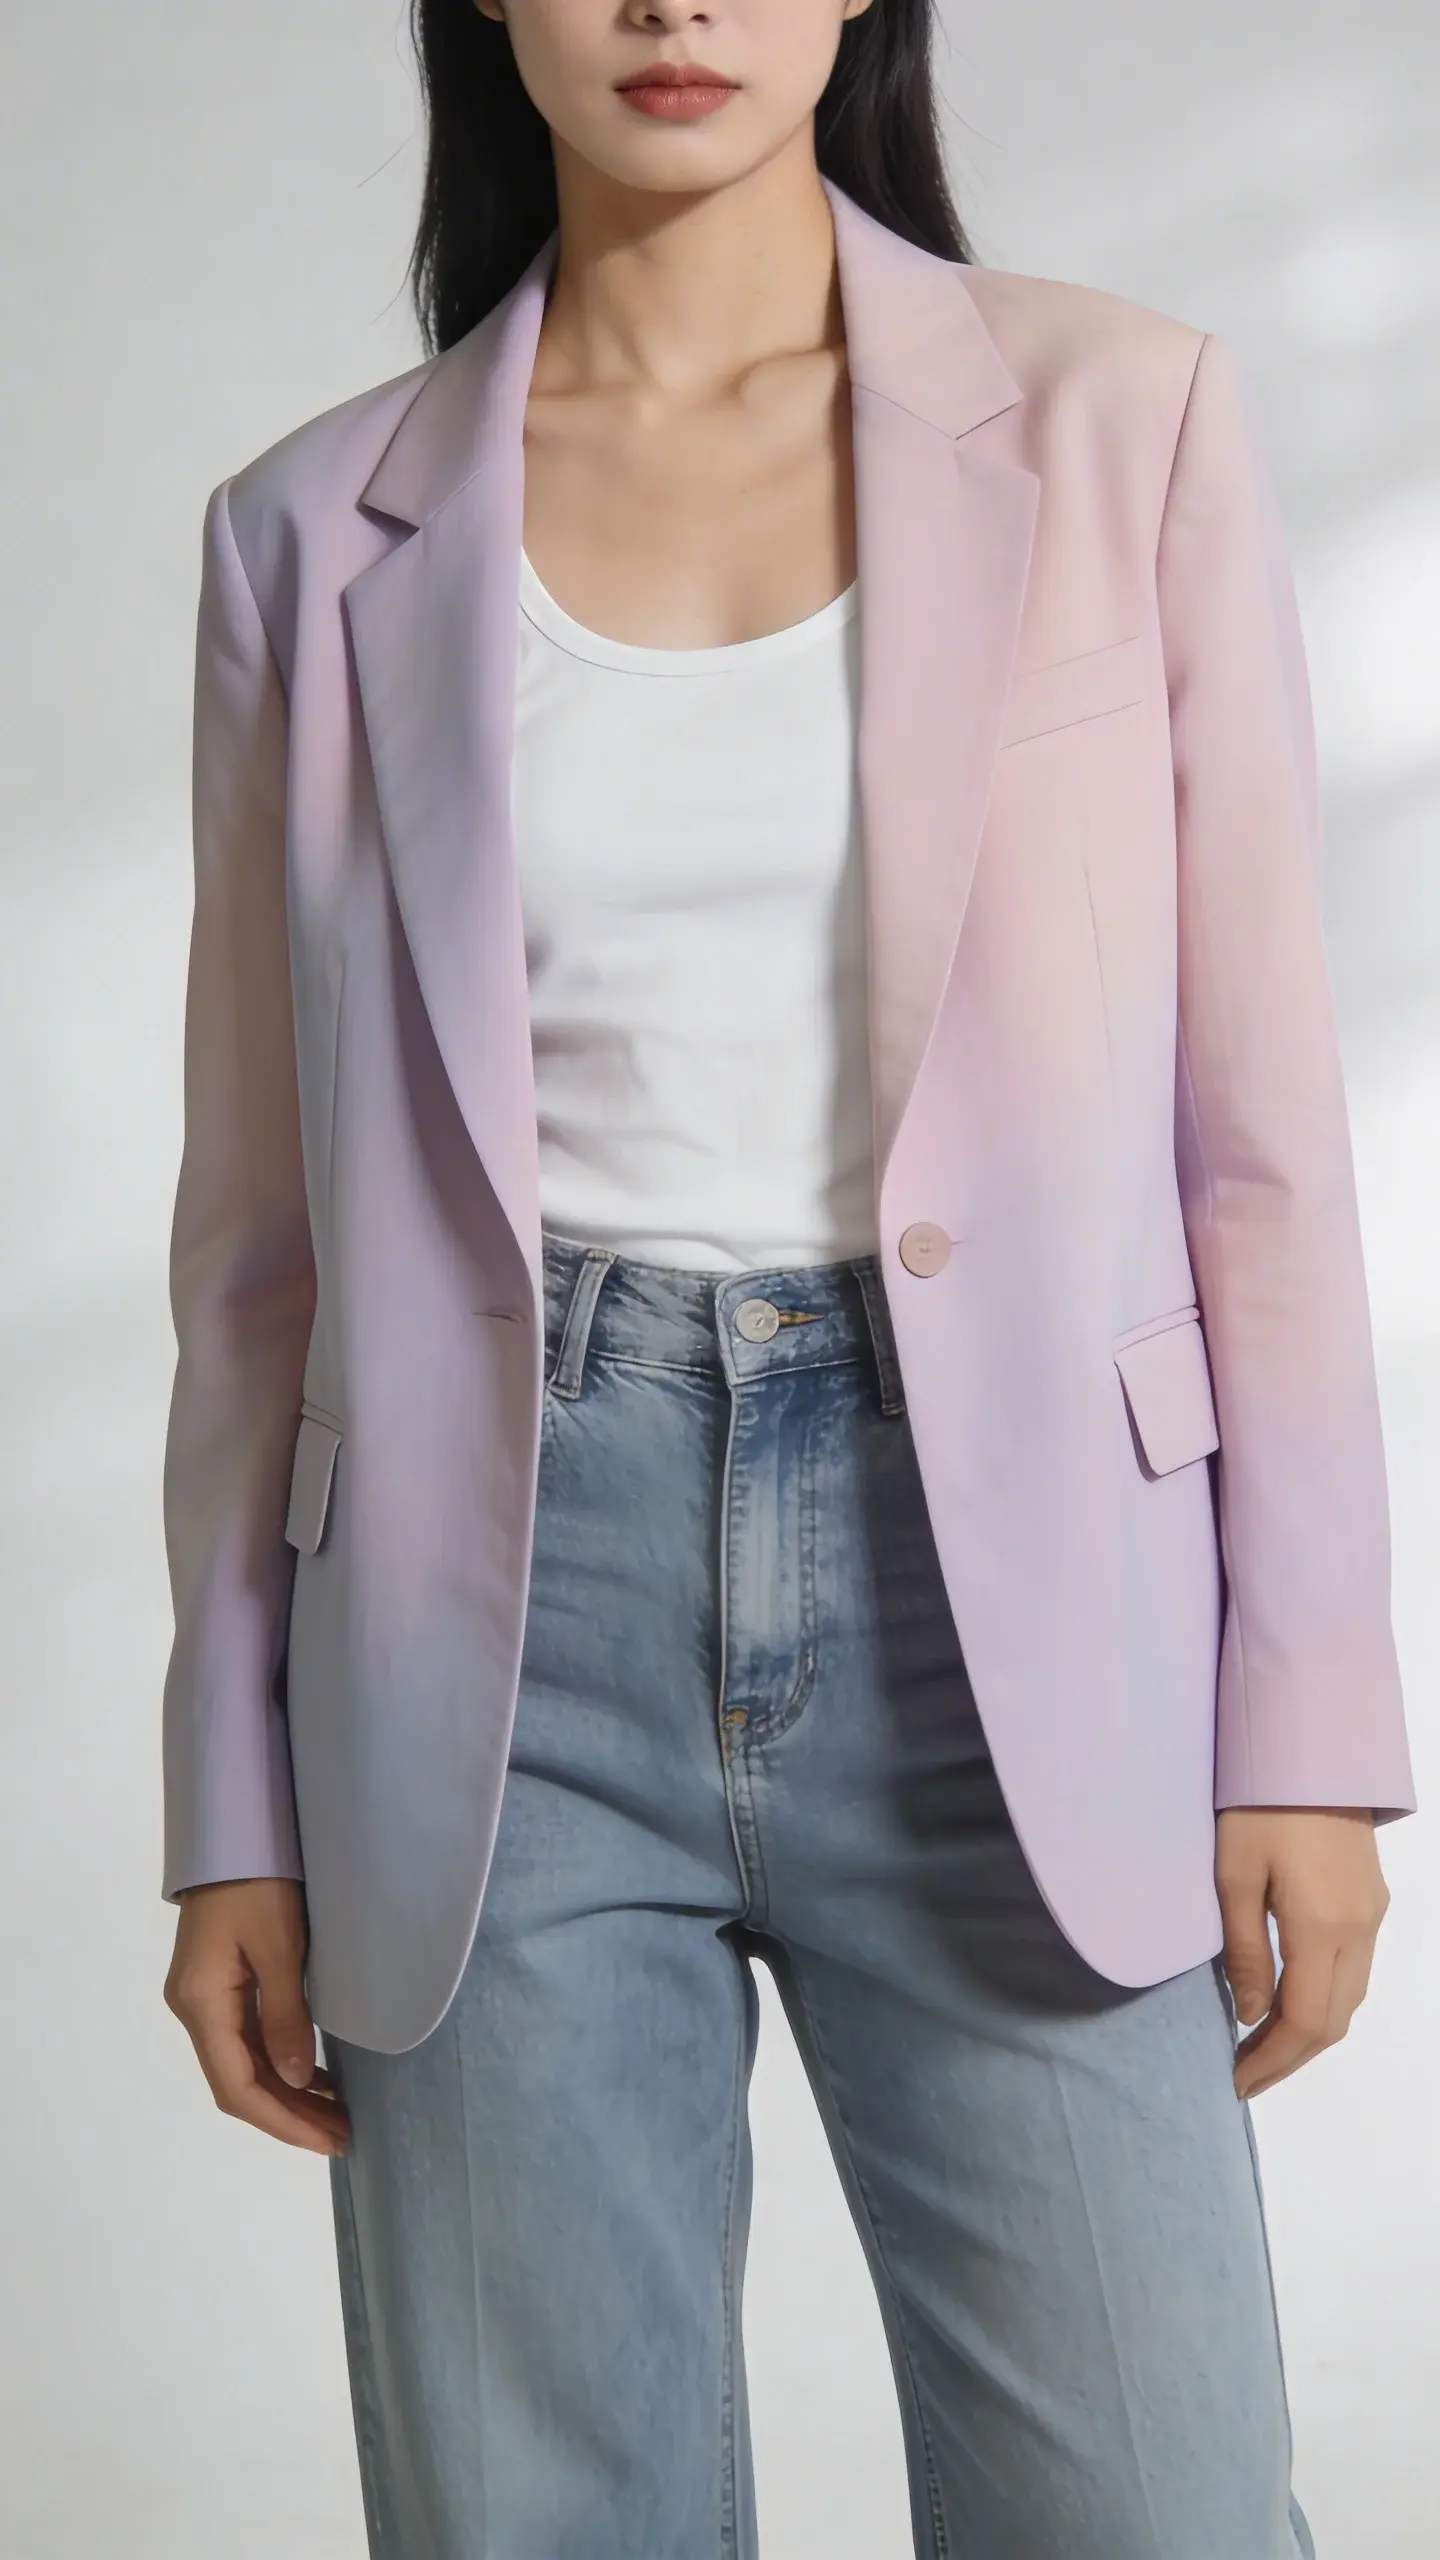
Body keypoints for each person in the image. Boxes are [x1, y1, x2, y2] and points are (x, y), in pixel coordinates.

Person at [158, 3, 1417, 2553]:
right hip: (485, 1643)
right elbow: (259, 1245)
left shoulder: (1115, 423)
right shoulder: (312, 531)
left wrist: (1307, 1716)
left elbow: (1258, 1137)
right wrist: (228, 1800)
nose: (666, 4)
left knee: (1155, 2509)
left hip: (1019, 1596)